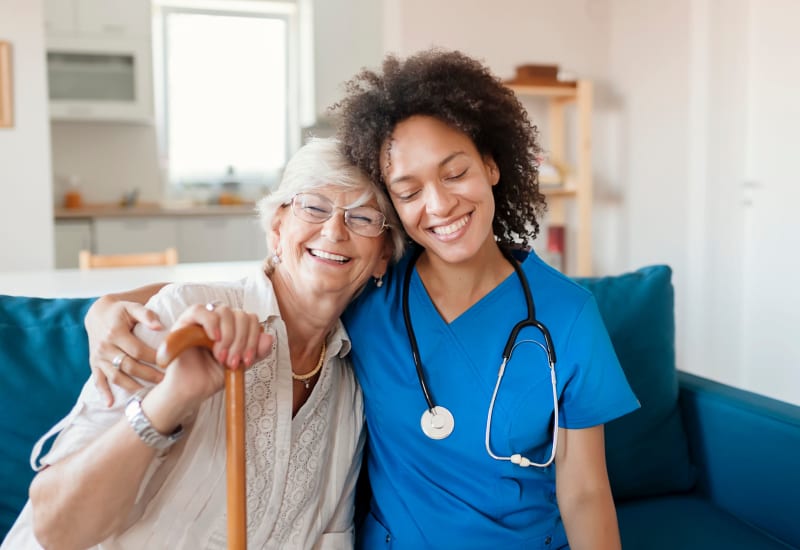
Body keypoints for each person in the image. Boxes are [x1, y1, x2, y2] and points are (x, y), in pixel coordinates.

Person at [82, 50, 639, 549]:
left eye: (456, 173)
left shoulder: (567, 317)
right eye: (409, 190)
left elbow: (586, 492)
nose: (439, 204)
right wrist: (107, 306)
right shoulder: (373, 285)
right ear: (394, 207)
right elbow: (266, 285)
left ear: (491, 166)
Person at [1, 137, 403, 549]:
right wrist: (173, 397)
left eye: (363, 218)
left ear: (383, 255)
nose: (334, 230)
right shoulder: (182, 315)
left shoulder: (350, 389)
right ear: (277, 229)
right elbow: (55, 528)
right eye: (314, 207)